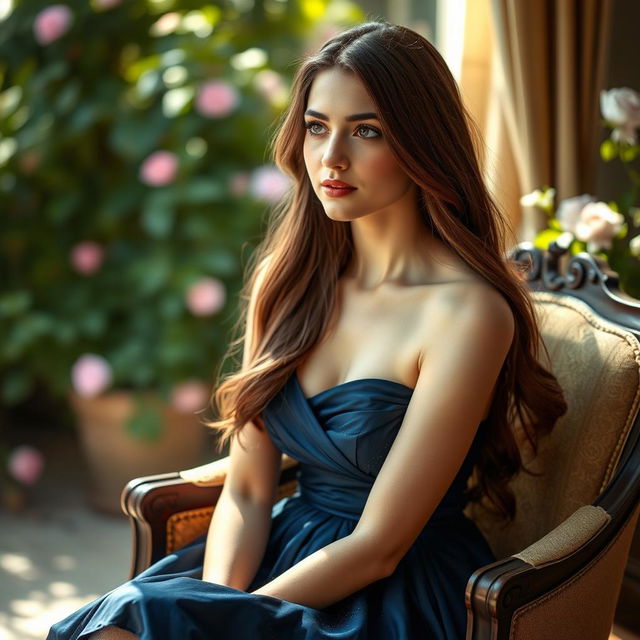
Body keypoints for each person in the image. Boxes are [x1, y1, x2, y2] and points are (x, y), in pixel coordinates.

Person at [48, 20, 567, 640]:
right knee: (123, 622)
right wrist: (216, 606)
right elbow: (244, 492)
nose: (331, 157)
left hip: (385, 590)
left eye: (366, 131)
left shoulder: (468, 314)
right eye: (318, 127)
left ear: (422, 143)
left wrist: (232, 623)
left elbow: (379, 546)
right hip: (272, 556)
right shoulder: (289, 281)